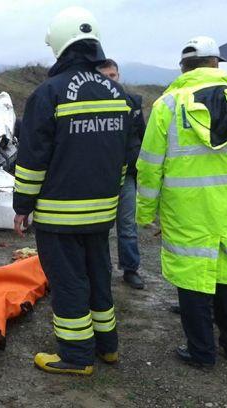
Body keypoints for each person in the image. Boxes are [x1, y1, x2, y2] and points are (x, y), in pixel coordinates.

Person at [13, 7, 132, 375]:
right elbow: (124, 156)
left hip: (60, 215)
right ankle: (107, 348)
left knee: (68, 284)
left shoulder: (49, 93)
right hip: (102, 213)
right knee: (99, 277)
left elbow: (33, 159)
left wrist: (22, 206)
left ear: (61, 45)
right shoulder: (117, 91)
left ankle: (76, 357)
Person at [136, 36, 227, 368]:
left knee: (191, 279)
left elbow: (149, 165)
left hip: (186, 210)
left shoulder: (167, 105)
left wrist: (146, 212)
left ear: (183, 67)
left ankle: (201, 351)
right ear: (216, 63)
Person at [97, 59, 146, 289]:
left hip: (126, 176)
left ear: (119, 75)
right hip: (100, 176)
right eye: (105, 75)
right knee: (99, 228)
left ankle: (130, 269)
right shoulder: (91, 105)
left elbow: (143, 137)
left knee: (127, 225)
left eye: (113, 75)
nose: (110, 79)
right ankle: (101, 270)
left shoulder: (133, 102)